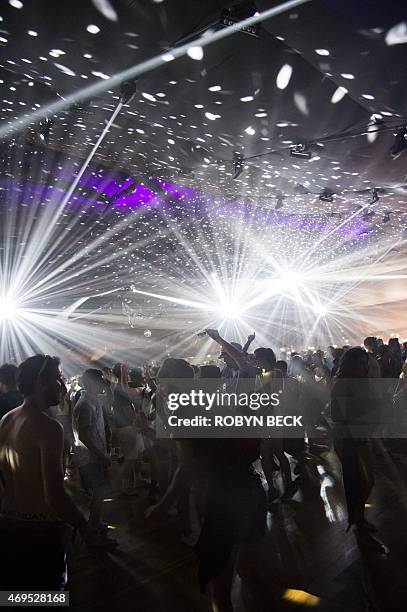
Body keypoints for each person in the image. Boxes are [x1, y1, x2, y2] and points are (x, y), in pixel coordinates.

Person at [146, 358, 270, 612]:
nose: (160, 387)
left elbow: (186, 465)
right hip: (250, 487)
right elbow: (247, 370)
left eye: (162, 382)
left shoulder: (185, 410)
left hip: (220, 498)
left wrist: (162, 505)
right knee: (248, 570)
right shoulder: (214, 400)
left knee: (219, 587)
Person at [0, 355, 91, 590]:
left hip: (9, 526)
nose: (62, 386)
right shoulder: (48, 427)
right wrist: (83, 526)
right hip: (40, 533)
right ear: (41, 383)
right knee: (49, 594)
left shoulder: (7, 419)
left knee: (18, 594)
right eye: (58, 379)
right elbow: (55, 494)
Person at [331, 347, 384, 553]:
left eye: (365, 363)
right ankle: (359, 528)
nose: (363, 367)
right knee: (358, 482)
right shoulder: (342, 385)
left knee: (366, 481)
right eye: (359, 363)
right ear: (350, 364)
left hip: (359, 436)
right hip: (349, 439)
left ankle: (360, 520)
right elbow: (339, 415)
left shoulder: (360, 383)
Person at [72, 368, 114, 541]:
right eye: (99, 381)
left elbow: (110, 401)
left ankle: (95, 523)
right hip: (90, 457)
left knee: (100, 492)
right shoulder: (85, 404)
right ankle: (92, 531)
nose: (102, 384)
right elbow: (84, 435)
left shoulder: (93, 400)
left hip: (95, 455)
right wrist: (100, 455)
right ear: (90, 383)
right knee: (99, 492)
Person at [112, 362, 144, 495]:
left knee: (133, 457)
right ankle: (123, 487)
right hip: (126, 427)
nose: (129, 372)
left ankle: (134, 482)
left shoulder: (118, 387)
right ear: (123, 373)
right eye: (126, 371)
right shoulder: (120, 389)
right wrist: (137, 423)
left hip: (125, 426)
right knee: (129, 459)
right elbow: (126, 410)